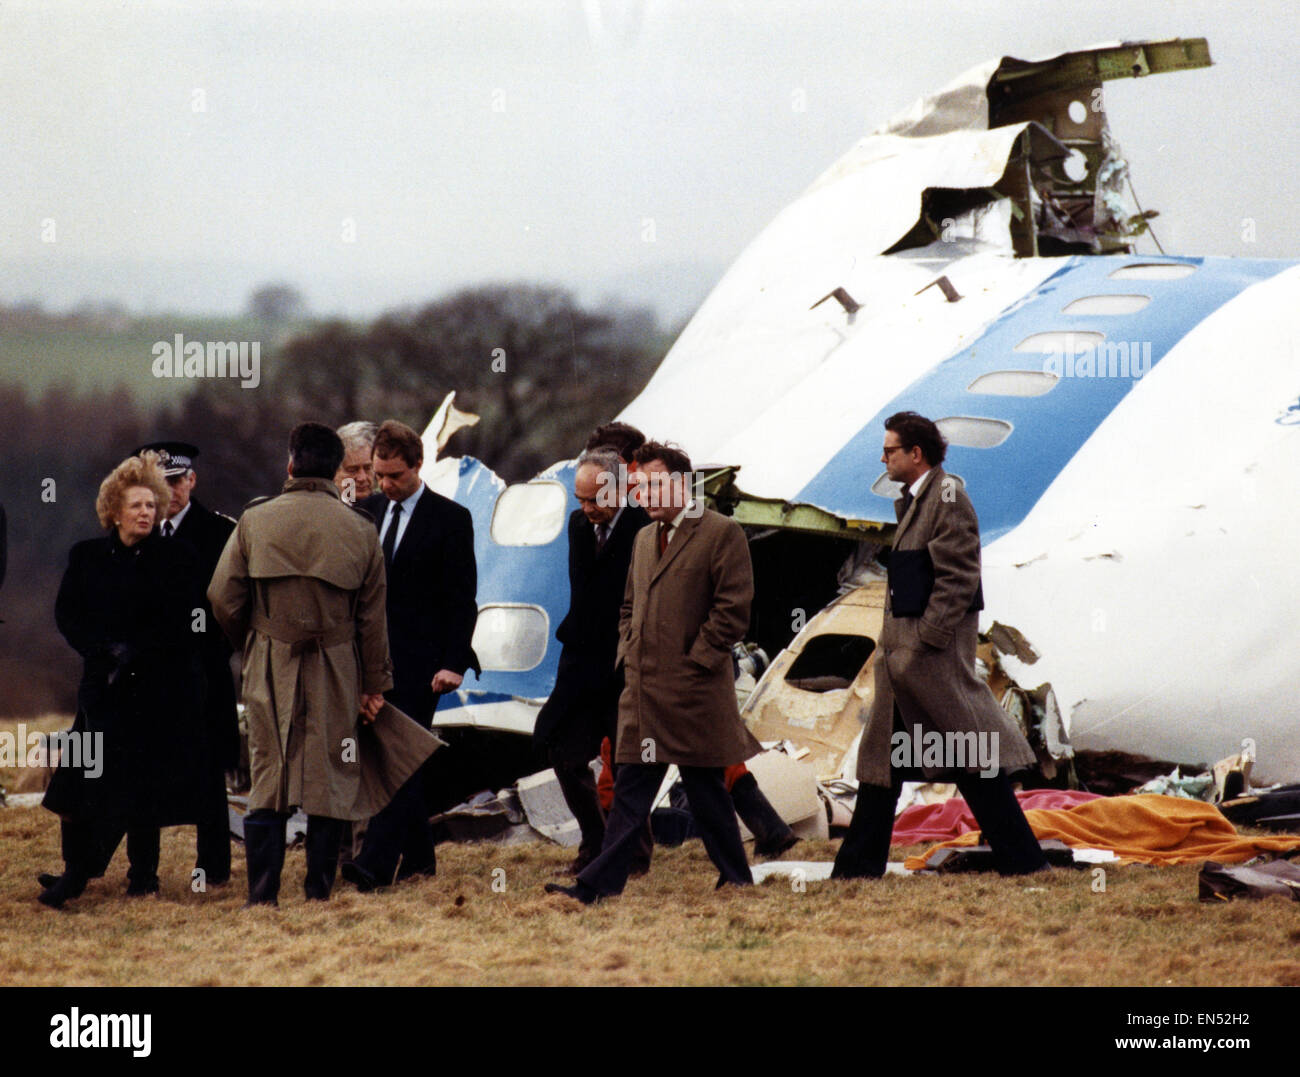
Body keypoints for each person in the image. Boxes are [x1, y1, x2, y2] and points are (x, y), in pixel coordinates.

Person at [207, 422, 438, 905]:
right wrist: (374, 684)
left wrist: (255, 639)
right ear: (336, 471)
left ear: (291, 465)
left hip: (271, 661)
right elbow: (373, 621)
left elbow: (222, 597)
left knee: (268, 775)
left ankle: (263, 894)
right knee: (332, 776)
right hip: (338, 665)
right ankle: (319, 891)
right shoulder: (361, 528)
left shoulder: (255, 520)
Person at [831, 411, 1046, 879]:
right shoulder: (915, 500)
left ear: (916, 453)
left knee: (974, 763)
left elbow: (960, 577)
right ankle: (855, 869)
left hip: (928, 664)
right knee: (882, 770)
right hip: (905, 669)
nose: (882, 457)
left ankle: (1026, 863)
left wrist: (925, 640)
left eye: (890, 450)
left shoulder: (947, 497)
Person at [547, 441, 761, 904]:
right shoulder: (645, 538)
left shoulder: (722, 533)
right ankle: (598, 886)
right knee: (630, 793)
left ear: (681, 483)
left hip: (694, 693)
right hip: (642, 692)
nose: (643, 494)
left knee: (706, 791)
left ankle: (736, 878)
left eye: (652, 484)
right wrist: (630, 649)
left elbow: (733, 611)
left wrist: (695, 662)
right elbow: (629, 605)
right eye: (639, 486)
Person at [39, 452, 210, 908]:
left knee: (142, 784)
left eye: (152, 506)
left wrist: (140, 651)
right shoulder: (87, 556)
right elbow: (67, 613)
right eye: (136, 506)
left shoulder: (176, 558)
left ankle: (141, 876)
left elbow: (186, 620)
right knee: (78, 775)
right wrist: (99, 650)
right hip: (101, 684)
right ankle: (77, 866)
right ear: (114, 511)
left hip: (153, 688)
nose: (145, 513)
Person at [341, 419, 479, 891]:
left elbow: (463, 599)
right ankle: (421, 864)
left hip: (426, 667)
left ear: (418, 466)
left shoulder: (451, 519)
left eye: (394, 476)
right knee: (398, 760)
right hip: (374, 661)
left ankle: (374, 867)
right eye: (379, 475)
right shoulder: (368, 511)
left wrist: (454, 664)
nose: (384, 484)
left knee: (399, 759)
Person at [532, 446, 651, 874]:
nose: (587, 509)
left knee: (628, 767)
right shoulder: (578, 526)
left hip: (622, 667)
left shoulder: (644, 530)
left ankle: (633, 856)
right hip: (581, 666)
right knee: (561, 750)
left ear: (620, 491)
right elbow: (582, 595)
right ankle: (596, 843)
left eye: (594, 500)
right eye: (580, 499)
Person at [135, 440, 238, 887]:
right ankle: (143, 872)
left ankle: (213, 868)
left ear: (192, 481)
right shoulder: (137, 531)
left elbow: (234, 603)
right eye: (161, 482)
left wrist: (210, 647)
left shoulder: (220, 532)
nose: (170, 491)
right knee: (143, 771)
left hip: (204, 670)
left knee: (209, 770)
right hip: (151, 675)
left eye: (176, 481)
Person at [334, 421, 378, 504]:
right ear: (334, 473)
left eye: (367, 468)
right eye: (352, 470)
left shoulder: (387, 510)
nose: (362, 478)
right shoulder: (323, 509)